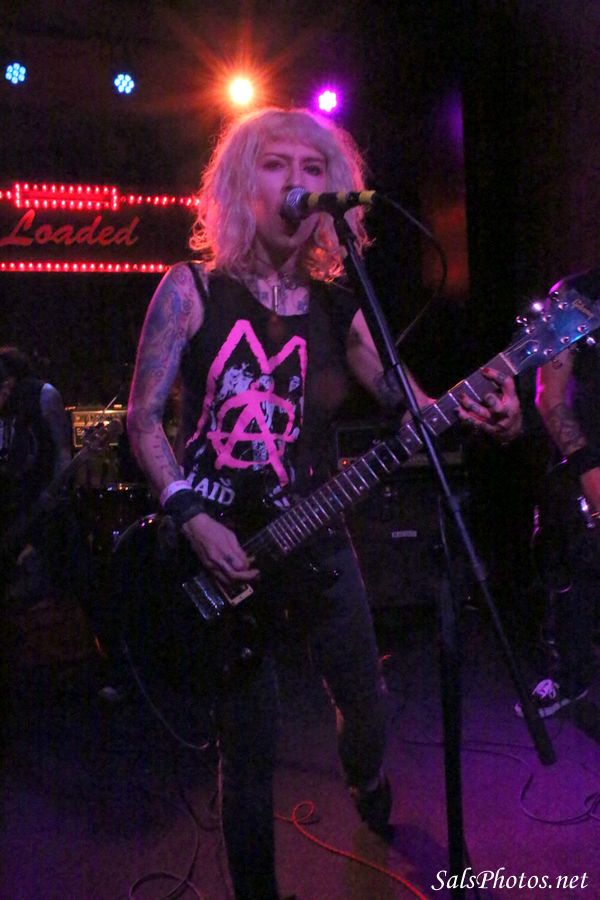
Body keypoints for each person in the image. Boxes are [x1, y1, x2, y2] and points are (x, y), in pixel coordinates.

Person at [127, 106, 520, 900]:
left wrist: (483, 400)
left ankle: (368, 784)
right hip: (219, 542)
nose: (297, 182)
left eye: (314, 169)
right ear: (242, 183)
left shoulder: (340, 306)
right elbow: (141, 420)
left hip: (317, 531)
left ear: (335, 189)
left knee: (365, 700)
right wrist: (190, 515)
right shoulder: (190, 290)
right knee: (249, 748)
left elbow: (409, 402)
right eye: (277, 164)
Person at [515, 267, 600, 719]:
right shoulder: (577, 296)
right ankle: (568, 677)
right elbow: (549, 398)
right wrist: (589, 470)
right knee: (573, 577)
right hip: (583, 464)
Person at [0, 346, 73, 604]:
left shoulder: (42, 395)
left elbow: (63, 453)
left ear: (8, 385)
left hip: (40, 510)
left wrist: (56, 494)